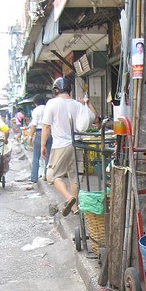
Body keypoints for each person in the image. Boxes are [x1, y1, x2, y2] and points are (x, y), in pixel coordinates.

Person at [41, 77, 100, 216]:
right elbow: (95, 118)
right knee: (75, 177)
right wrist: (87, 103)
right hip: (77, 144)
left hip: (61, 145)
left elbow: (46, 126)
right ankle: (75, 208)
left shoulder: (52, 103)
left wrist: (43, 144)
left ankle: (69, 198)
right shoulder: (78, 105)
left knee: (52, 175)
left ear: (56, 90)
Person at [27, 94, 52, 188]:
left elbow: (33, 124)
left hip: (39, 133)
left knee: (36, 157)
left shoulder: (36, 110)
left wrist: (30, 137)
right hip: (49, 132)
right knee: (48, 156)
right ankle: (47, 175)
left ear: (35, 102)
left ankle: (34, 177)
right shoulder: (48, 108)